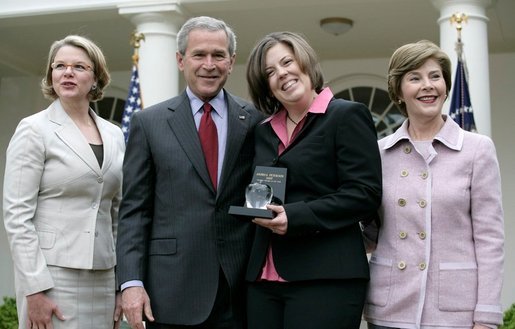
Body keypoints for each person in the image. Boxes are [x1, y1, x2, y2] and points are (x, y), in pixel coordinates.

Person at [115, 16, 263, 329]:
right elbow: (134, 211)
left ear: (231, 62)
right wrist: (130, 282)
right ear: (181, 60)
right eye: (199, 55)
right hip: (170, 291)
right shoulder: (149, 123)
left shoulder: (253, 120)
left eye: (218, 55)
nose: (209, 64)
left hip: (239, 293)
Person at [244, 31, 382, 329]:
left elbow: (364, 193)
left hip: (326, 276)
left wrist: (296, 216)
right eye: (270, 72)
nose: (282, 74)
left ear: (304, 62)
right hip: (261, 279)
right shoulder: (262, 131)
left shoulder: (346, 116)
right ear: (265, 86)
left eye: (287, 62)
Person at [362, 40, 505, 329]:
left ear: (446, 85)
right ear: (399, 91)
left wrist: (486, 317)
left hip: (454, 311)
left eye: (435, 76)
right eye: (415, 78)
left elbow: (490, 241)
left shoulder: (477, 149)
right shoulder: (378, 153)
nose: (428, 85)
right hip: (390, 308)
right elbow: (369, 230)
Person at [2, 35, 125, 329]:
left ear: (95, 79)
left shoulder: (114, 134)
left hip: (104, 275)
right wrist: (34, 287)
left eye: (79, 66)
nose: (68, 72)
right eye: (60, 66)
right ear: (51, 75)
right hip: (51, 277)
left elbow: (117, 212)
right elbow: (17, 216)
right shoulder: (33, 130)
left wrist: (121, 281)